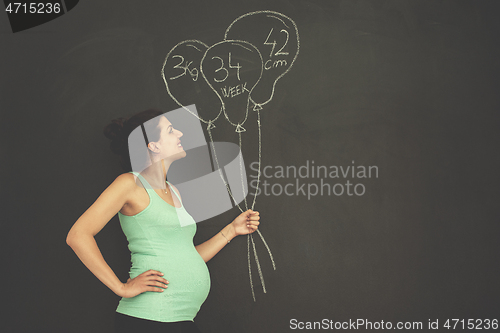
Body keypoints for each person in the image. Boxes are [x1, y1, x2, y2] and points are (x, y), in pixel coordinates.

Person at [66, 108, 260, 333]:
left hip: (180, 319)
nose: (179, 134)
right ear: (153, 146)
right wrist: (121, 288)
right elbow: (78, 235)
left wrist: (231, 230)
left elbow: (184, 255)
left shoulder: (173, 191)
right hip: (149, 318)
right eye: (170, 130)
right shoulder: (130, 184)